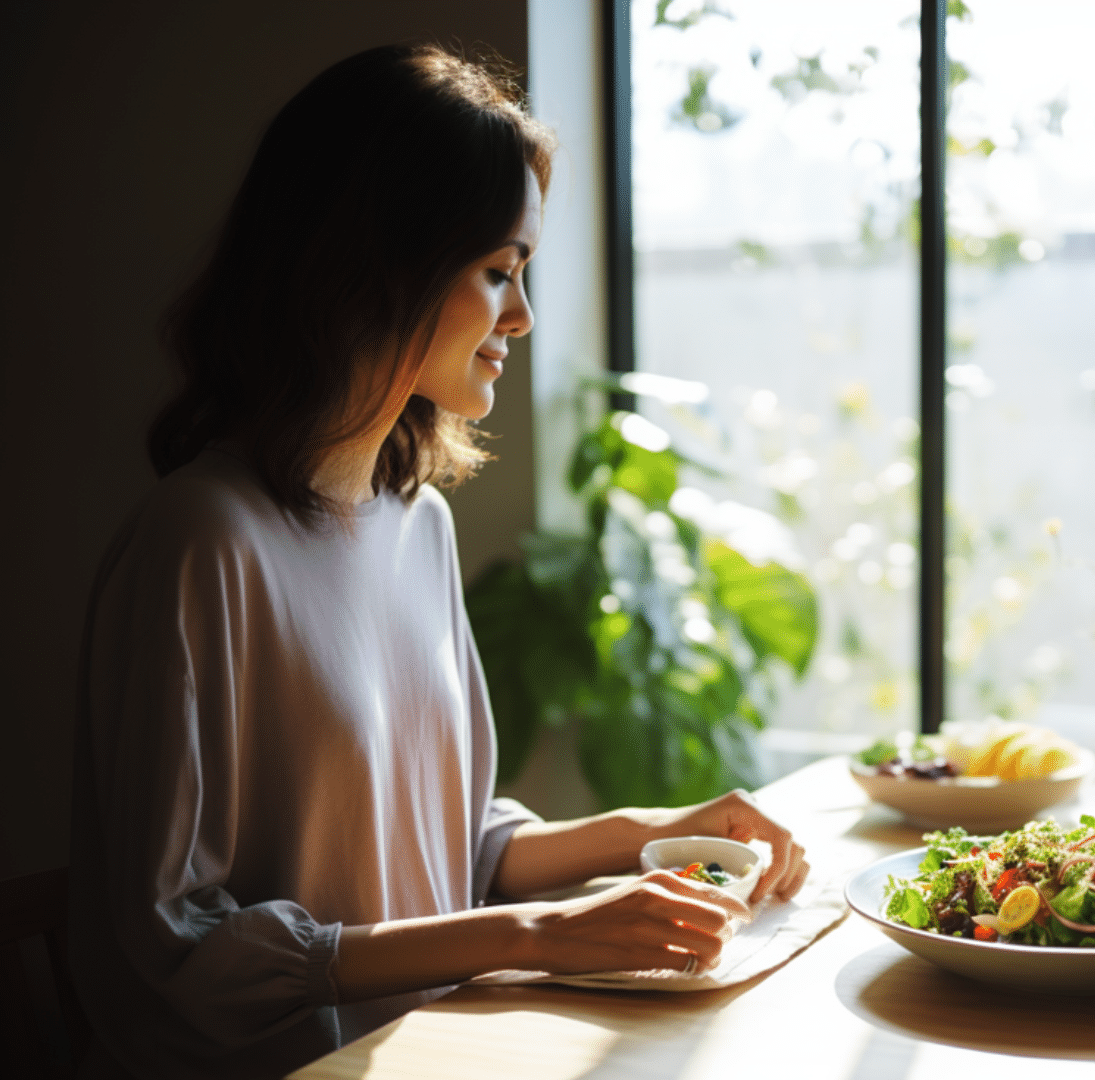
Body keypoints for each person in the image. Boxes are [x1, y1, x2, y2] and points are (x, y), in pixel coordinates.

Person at [68, 43, 810, 1079]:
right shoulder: (200, 543)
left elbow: (451, 844)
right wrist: (534, 937)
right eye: (498, 271)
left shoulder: (416, 521)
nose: (523, 318)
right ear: (377, 267)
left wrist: (655, 828)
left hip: (435, 1051)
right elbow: (174, 948)